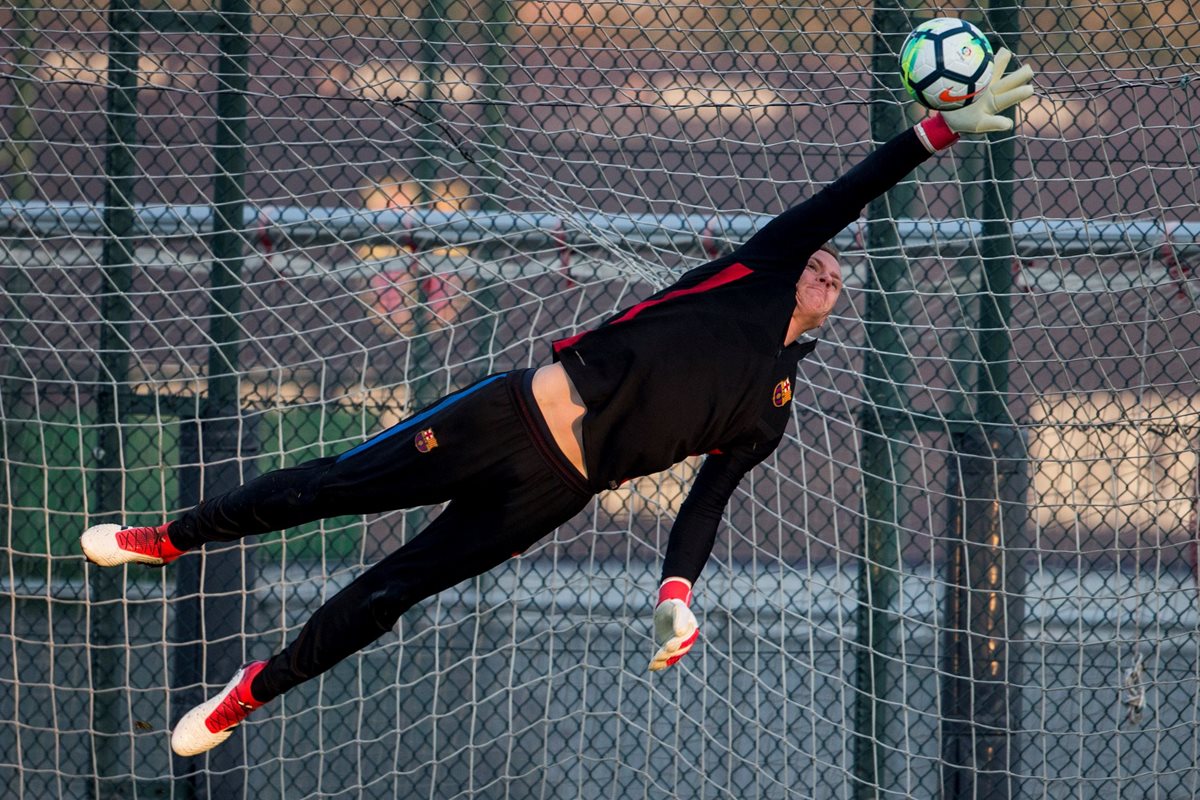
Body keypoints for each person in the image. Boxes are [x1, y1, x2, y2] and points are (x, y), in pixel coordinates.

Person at [80, 51, 1034, 757]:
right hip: (507, 417)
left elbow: (706, 504)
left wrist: (676, 595)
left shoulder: (770, 411)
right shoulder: (760, 267)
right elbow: (855, 188)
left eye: (834, 274)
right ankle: (168, 539)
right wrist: (938, 131)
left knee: (392, 591)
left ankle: (253, 690)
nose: (826, 265)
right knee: (328, 487)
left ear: (833, 306)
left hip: (550, 493)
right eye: (819, 256)